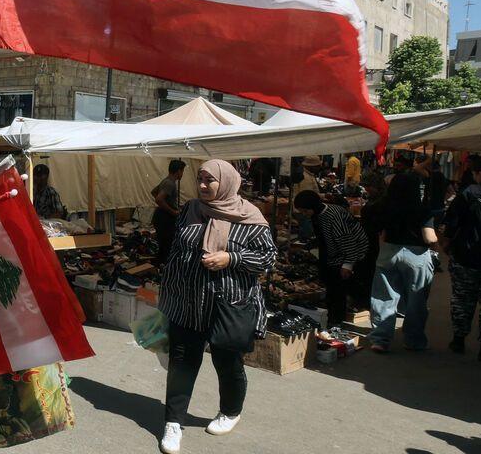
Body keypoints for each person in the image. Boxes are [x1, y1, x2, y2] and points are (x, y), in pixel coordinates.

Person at [156, 160, 274, 454]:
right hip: (188, 302)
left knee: (227, 362)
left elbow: (267, 259)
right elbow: (177, 250)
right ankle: (173, 422)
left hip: (228, 305)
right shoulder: (191, 209)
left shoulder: (251, 217)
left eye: (211, 180)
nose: (204, 185)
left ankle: (231, 411)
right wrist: (167, 292)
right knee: (182, 363)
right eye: (200, 179)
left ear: (228, 182)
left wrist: (230, 258)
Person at [369, 168, 440, 353]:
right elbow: (430, 237)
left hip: (388, 252)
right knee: (416, 301)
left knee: (384, 297)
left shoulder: (383, 205)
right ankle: (413, 340)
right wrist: (437, 246)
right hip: (416, 256)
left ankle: (380, 339)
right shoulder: (422, 208)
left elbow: (378, 231)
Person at [442, 159, 481, 363]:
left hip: (465, 259)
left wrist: (447, 246)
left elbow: (450, 225)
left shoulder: (469, 193)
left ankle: (458, 340)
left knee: (462, 300)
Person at [293, 191, 370, 325]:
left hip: (348, 254)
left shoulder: (334, 216)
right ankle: (332, 318)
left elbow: (348, 241)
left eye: (305, 211)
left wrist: (347, 265)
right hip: (333, 254)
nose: (304, 214)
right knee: (332, 288)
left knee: (338, 290)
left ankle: (337, 321)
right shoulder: (318, 215)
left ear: (312, 207)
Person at [151, 160, 187, 267]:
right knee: (167, 244)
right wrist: (173, 211)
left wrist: (168, 203)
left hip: (161, 215)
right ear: (179, 171)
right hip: (165, 217)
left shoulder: (166, 181)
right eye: (182, 171)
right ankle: (166, 268)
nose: (182, 174)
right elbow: (158, 199)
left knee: (163, 244)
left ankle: (159, 266)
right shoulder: (170, 183)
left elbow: (153, 192)